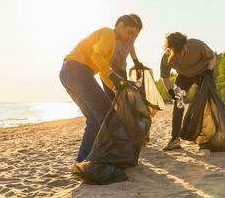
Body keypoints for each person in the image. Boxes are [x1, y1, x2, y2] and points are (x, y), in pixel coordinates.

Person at [59, 14, 140, 162]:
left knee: (93, 119)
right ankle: (110, 155)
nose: (130, 38)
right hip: (77, 70)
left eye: (133, 36)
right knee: (106, 111)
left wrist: (116, 87)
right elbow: (96, 56)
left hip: (67, 74)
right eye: (129, 32)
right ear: (120, 24)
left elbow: (103, 71)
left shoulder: (112, 43)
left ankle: (82, 161)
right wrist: (114, 75)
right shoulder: (108, 33)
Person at [160, 32, 216, 151]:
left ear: (185, 44)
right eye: (176, 52)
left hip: (203, 73)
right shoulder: (166, 57)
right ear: (169, 49)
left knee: (213, 101)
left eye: (182, 51)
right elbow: (165, 77)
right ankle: (175, 139)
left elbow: (212, 57)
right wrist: (171, 91)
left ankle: (221, 133)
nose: (180, 55)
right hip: (184, 76)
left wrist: (209, 72)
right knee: (178, 102)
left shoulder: (197, 45)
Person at [102, 14, 144, 101]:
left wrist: (135, 60)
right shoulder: (116, 42)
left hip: (122, 69)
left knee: (125, 98)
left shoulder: (132, 36)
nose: (132, 38)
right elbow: (106, 65)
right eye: (130, 34)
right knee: (113, 100)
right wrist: (112, 76)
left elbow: (131, 46)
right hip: (109, 71)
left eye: (136, 35)